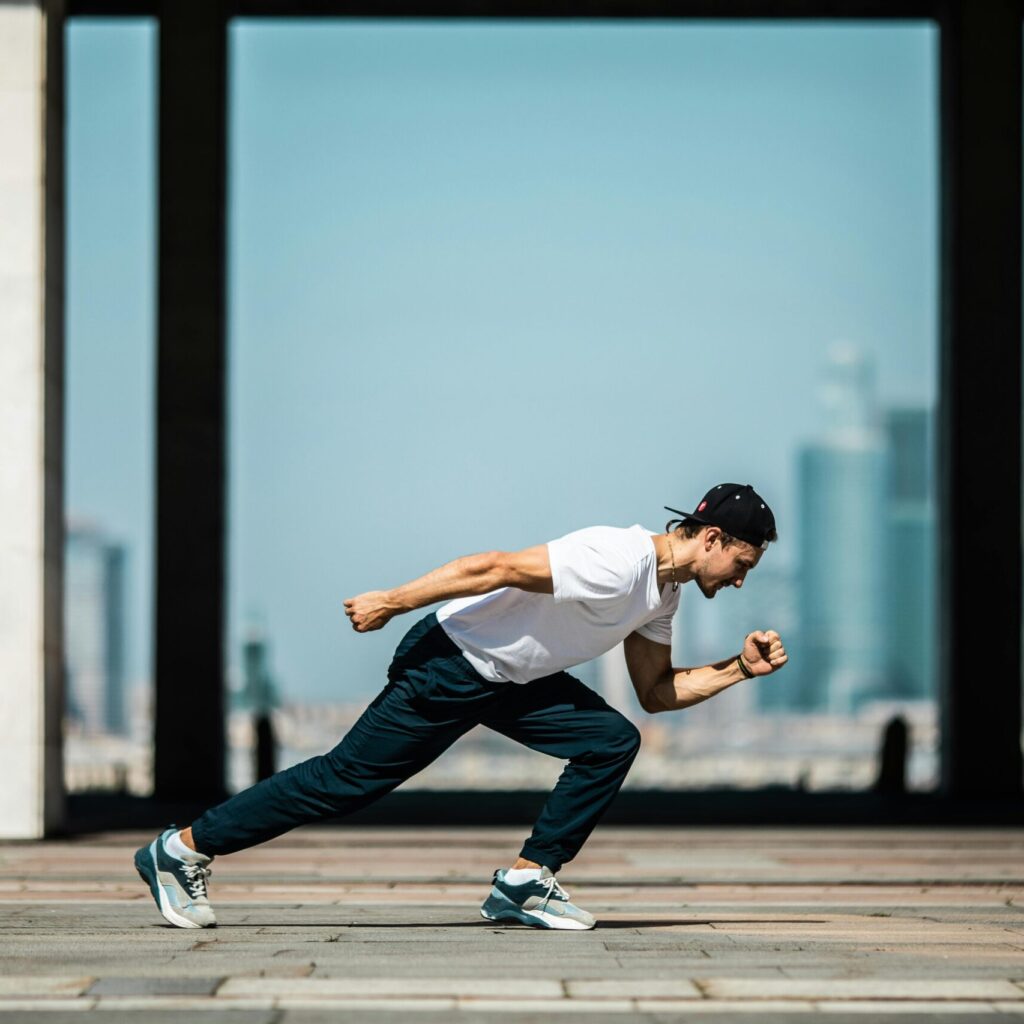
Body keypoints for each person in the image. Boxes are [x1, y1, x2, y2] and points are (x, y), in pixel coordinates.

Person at [134, 482, 788, 931]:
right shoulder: (618, 561)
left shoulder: (661, 594)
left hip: (512, 680)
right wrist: (392, 600)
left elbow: (656, 693)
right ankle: (183, 849)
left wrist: (737, 669)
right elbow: (494, 566)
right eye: (742, 562)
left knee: (610, 740)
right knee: (346, 782)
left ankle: (527, 882)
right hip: (452, 662)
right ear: (709, 537)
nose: (740, 578)